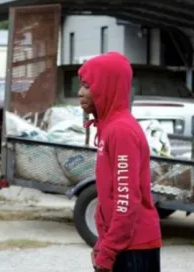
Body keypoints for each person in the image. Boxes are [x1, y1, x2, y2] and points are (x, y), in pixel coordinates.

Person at [77, 52, 162, 272]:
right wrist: (101, 242)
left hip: (134, 248)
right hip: (124, 245)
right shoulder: (108, 128)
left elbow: (126, 199)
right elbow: (108, 194)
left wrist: (109, 250)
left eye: (87, 85)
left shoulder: (121, 131)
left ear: (105, 86)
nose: (80, 93)